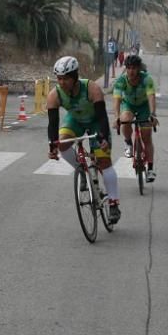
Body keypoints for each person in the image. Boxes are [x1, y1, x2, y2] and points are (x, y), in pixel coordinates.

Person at [46, 55, 120, 224]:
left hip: (95, 122)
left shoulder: (91, 88)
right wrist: (52, 146)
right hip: (75, 121)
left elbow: (101, 117)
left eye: (65, 78)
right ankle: (83, 171)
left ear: (75, 77)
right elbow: (53, 125)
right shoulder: (54, 95)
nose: (61, 82)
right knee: (62, 142)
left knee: (103, 160)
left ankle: (114, 203)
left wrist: (102, 137)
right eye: (59, 78)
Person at [114, 54, 158, 182]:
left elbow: (151, 97)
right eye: (128, 68)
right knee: (125, 119)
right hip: (128, 105)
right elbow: (116, 100)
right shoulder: (121, 81)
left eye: (134, 68)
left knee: (147, 137)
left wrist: (153, 114)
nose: (131, 71)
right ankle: (128, 143)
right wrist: (117, 118)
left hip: (144, 107)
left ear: (139, 69)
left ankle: (150, 169)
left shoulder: (146, 79)